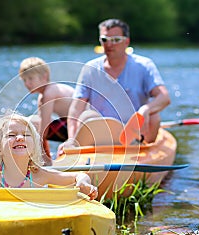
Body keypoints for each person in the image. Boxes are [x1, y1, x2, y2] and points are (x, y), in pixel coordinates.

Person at [58, 18, 170, 154]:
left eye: (116, 40)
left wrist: (145, 110)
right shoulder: (90, 69)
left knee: (154, 115)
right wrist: (71, 140)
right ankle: (81, 156)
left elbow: (164, 97)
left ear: (126, 42)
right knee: (86, 116)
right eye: (105, 40)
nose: (109, 44)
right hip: (100, 134)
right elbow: (76, 110)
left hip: (134, 135)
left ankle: (143, 153)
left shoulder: (144, 65)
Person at [19, 57, 75, 165]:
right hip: (72, 126)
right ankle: (45, 159)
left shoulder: (49, 93)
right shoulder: (44, 95)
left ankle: (44, 161)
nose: (27, 83)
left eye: (30, 78)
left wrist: (37, 148)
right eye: (24, 80)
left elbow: (44, 127)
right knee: (34, 122)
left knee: (33, 123)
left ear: (44, 76)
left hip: (79, 128)